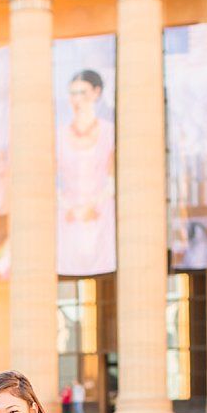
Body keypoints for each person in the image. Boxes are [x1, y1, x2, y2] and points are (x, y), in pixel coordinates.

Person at [56, 69, 116, 277]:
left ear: (96, 92)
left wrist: (91, 206)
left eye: (82, 92)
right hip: (68, 215)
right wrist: (70, 208)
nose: (77, 99)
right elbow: (49, 182)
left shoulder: (110, 132)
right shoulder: (59, 136)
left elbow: (113, 179)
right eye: (73, 93)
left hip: (101, 214)